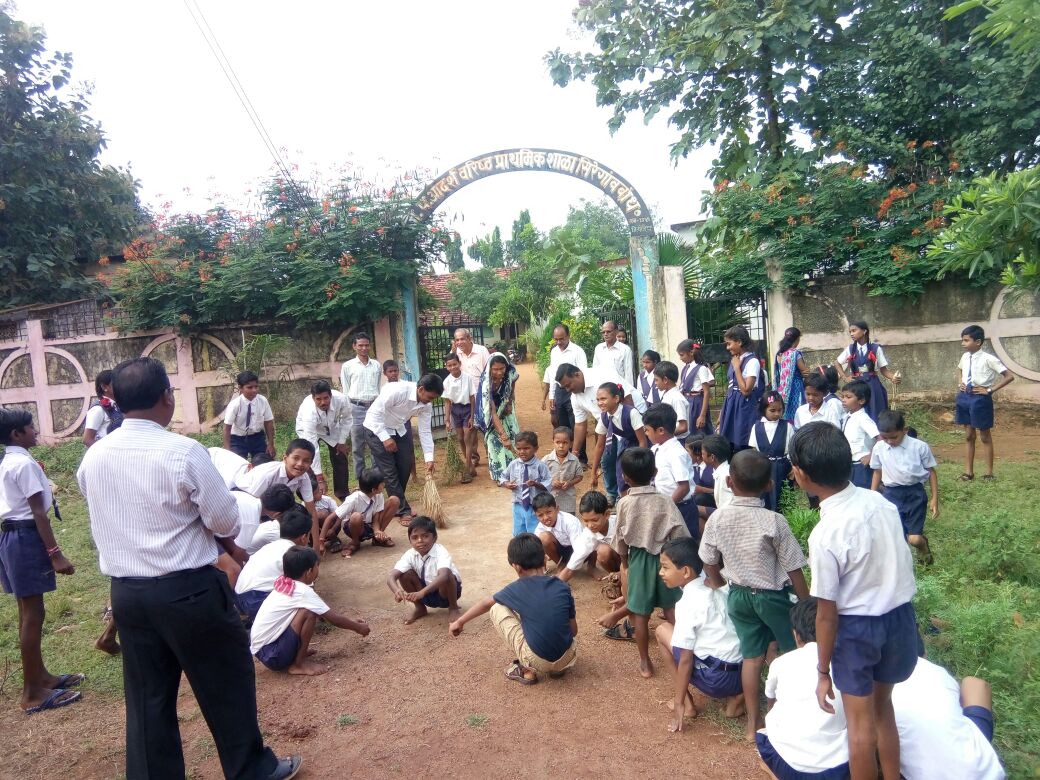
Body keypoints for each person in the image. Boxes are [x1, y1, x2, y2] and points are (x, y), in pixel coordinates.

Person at [76, 357, 300, 780]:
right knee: (224, 682)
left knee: (148, 698)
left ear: (117, 401)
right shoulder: (182, 452)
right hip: (189, 592)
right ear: (167, 397)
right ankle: (251, 769)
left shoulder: (94, 457)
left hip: (128, 594)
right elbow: (225, 521)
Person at [789, 421, 918, 780]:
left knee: (859, 730)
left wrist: (822, 672)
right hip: (899, 619)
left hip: (858, 631)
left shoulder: (825, 534)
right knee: (883, 709)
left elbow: (826, 615)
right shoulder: (881, 503)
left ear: (801, 475)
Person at [699, 449, 810, 741]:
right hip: (773, 598)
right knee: (792, 654)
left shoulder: (717, 519)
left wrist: (719, 584)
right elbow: (794, 568)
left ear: (728, 482)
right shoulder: (774, 521)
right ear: (769, 485)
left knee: (752, 657)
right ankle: (787, 716)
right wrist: (807, 605)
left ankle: (752, 726)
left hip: (738, 596)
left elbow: (708, 560)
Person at [1, 408, 82, 714]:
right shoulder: (22, 463)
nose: (35, 431)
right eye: (30, 426)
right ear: (16, 434)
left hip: (11, 537)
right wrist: (55, 554)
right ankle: (33, 692)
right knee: (32, 614)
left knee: (29, 611)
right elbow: (38, 512)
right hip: (25, 537)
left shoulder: (9, 461)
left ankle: (41, 676)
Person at [449, 533, 578, 685]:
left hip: (538, 660)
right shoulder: (562, 586)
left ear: (516, 567)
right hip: (568, 657)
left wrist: (460, 621)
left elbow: (485, 604)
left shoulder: (517, 589)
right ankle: (558, 669)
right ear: (545, 559)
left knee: (497, 607)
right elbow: (573, 630)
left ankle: (527, 670)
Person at [614, 447, 691, 678]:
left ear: (625, 477)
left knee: (640, 613)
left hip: (638, 560)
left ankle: (645, 661)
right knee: (671, 608)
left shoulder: (625, 503)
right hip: (666, 559)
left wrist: (625, 562)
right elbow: (680, 533)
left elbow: (620, 538)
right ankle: (683, 654)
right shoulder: (665, 501)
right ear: (655, 472)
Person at [755, 597, 852, 780]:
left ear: (796, 635)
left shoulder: (781, 663)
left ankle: (775, 772)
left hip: (787, 763)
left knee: (763, 735)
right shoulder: (852, 666)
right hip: (835, 771)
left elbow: (770, 701)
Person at [656, 537, 744, 732]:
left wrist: (678, 703)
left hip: (716, 681)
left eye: (665, 567)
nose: (661, 572)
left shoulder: (687, 603)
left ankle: (687, 705)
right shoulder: (720, 587)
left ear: (686, 572)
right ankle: (737, 697)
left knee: (662, 631)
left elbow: (685, 659)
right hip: (742, 676)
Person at [250, 545, 369, 676]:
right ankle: (299, 664)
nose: (318, 569)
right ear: (309, 572)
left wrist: (351, 622)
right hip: (274, 655)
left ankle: (295, 653)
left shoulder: (285, 583)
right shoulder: (302, 591)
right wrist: (359, 628)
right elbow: (333, 619)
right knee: (308, 613)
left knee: (309, 610)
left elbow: (323, 614)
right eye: (317, 566)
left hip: (264, 651)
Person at [891, 659, 1006, 780]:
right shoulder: (933, 670)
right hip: (984, 770)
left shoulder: (880, 686)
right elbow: (978, 685)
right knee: (973, 684)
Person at [363, 372, 442, 522]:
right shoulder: (397, 391)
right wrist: (385, 438)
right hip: (376, 429)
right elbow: (373, 415)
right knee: (389, 471)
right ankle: (402, 510)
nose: (430, 401)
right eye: (430, 397)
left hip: (398, 429)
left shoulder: (426, 405)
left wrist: (429, 458)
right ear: (421, 389)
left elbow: (425, 431)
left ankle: (395, 502)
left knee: (405, 465)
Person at [870, 410, 939, 564]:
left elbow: (931, 472)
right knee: (897, 537)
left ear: (905, 430)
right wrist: (872, 494)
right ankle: (903, 566)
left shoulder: (919, 447)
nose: (889, 441)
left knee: (914, 539)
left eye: (894, 437)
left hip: (915, 494)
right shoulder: (879, 448)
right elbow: (877, 472)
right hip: (891, 495)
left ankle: (923, 545)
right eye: (884, 437)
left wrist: (935, 498)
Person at [236, 439, 321, 551]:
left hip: (271, 507)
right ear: (285, 458)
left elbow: (312, 511)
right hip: (244, 502)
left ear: (310, 464)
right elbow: (251, 507)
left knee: (301, 515)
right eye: (296, 458)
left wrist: (316, 546)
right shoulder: (268, 474)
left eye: (306, 461)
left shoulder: (303, 478)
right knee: (257, 537)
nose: (300, 464)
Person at [956, 324, 1014, 482]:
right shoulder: (965, 357)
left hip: (980, 399)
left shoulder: (989, 359)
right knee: (969, 435)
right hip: (964, 397)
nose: (963, 343)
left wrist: (989, 390)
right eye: (962, 340)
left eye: (966, 340)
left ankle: (989, 473)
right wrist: (960, 382)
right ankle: (968, 473)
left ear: (978, 342)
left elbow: (1009, 376)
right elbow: (959, 369)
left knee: (984, 436)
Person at [234, 506, 312, 620]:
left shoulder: (273, 545)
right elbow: (303, 587)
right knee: (303, 608)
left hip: (239, 595)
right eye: (309, 536)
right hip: (255, 598)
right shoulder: (294, 554)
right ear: (304, 537)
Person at [387, 515, 462, 624]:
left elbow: (444, 575)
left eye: (425, 536)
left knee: (448, 575)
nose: (420, 540)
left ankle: (453, 607)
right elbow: (391, 577)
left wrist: (422, 592)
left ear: (435, 537)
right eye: (414, 537)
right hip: (424, 593)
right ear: (410, 540)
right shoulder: (410, 554)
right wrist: (397, 591)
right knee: (404, 574)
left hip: (446, 594)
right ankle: (420, 608)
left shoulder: (440, 551)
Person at [643, 403, 699, 539]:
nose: (646, 433)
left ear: (660, 430)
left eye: (647, 430)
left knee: (683, 544)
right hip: (665, 505)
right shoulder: (656, 449)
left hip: (681, 508)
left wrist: (666, 507)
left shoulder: (676, 453)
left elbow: (683, 487)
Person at [835, 319, 903, 422]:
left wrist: (893, 378)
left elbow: (884, 370)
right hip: (857, 386)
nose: (851, 334)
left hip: (873, 385)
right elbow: (837, 363)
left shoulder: (876, 348)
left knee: (875, 412)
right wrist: (845, 377)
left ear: (864, 331)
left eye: (854, 330)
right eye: (850, 332)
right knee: (858, 412)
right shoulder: (850, 349)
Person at [295, 379, 352, 501]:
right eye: (318, 399)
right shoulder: (308, 411)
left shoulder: (341, 399)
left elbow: (347, 419)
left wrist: (342, 441)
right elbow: (312, 446)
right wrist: (320, 477)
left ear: (331, 395)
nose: (323, 402)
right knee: (307, 457)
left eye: (326, 398)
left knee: (340, 455)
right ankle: (313, 493)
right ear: (313, 398)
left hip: (331, 429)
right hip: (308, 430)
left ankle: (342, 493)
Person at [591, 381, 648, 501]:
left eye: (603, 399)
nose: (600, 403)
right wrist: (593, 471)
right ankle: (623, 502)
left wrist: (640, 464)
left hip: (641, 448)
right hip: (626, 445)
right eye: (598, 399)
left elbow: (643, 442)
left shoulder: (631, 413)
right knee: (621, 475)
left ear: (616, 398)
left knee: (638, 477)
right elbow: (600, 446)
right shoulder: (604, 417)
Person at [541, 324, 588, 463]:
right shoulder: (554, 352)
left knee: (577, 423)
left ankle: (581, 458)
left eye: (561, 339)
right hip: (559, 392)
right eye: (556, 339)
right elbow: (552, 374)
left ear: (568, 336)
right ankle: (566, 457)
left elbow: (582, 373)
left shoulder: (578, 351)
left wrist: (580, 393)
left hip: (574, 390)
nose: (559, 342)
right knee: (563, 424)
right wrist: (552, 396)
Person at [339, 331, 383, 479]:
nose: (364, 348)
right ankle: (360, 479)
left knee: (376, 443)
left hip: (373, 407)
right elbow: (346, 390)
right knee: (358, 446)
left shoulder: (376, 365)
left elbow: (377, 387)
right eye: (360, 345)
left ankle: (376, 477)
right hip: (355, 408)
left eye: (366, 345)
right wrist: (347, 410)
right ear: (354, 346)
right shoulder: (347, 366)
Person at [331, 467, 402, 557]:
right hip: (355, 527)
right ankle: (355, 542)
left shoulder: (378, 494)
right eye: (381, 483)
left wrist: (377, 530)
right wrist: (325, 535)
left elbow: (376, 516)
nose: (384, 484)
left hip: (371, 524)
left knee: (394, 500)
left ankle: (377, 538)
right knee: (356, 516)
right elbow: (336, 516)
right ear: (374, 490)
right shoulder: (353, 499)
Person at [532, 491, 598, 583]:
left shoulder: (570, 521)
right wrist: (541, 562)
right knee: (543, 538)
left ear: (557, 509)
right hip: (562, 553)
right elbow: (535, 550)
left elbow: (579, 550)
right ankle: (561, 564)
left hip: (578, 549)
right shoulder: (540, 527)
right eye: (540, 515)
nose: (545, 517)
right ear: (536, 516)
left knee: (592, 539)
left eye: (549, 512)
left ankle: (592, 567)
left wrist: (569, 571)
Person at [474, 352, 520, 482]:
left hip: (505, 409)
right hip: (491, 415)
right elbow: (492, 412)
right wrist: (503, 436)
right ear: (490, 369)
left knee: (514, 437)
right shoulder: (486, 384)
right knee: (494, 442)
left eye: (502, 368)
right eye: (495, 369)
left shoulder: (510, 373)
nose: (499, 372)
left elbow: (512, 385)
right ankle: (500, 476)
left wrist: (509, 402)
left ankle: (515, 472)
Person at [717, 325, 764, 452]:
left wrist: (737, 368)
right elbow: (731, 387)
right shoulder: (736, 359)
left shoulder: (752, 362)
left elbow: (746, 390)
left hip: (743, 407)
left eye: (729, 344)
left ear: (739, 342)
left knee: (742, 443)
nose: (727, 347)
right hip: (731, 405)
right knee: (728, 444)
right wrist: (722, 413)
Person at [500, 431, 552, 536]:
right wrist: (507, 484)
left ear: (536, 448)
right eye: (519, 449)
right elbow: (502, 477)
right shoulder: (513, 464)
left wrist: (536, 484)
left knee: (534, 531)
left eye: (526, 448)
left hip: (535, 505)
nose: (522, 452)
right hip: (518, 504)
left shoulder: (540, 465)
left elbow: (548, 482)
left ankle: (534, 545)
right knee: (519, 530)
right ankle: (521, 545)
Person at [748, 391, 793, 512]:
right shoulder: (757, 427)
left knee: (782, 498)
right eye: (772, 410)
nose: (777, 413)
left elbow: (792, 449)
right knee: (764, 496)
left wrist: (793, 467)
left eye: (780, 410)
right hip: (764, 468)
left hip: (782, 468)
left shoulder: (787, 426)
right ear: (764, 409)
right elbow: (754, 449)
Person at [454, 328, 491, 469]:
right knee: (470, 431)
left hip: (483, 396)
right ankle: (474, 458)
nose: (459, 342)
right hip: (467, 399)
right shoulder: (456, 353)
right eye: (457, 340)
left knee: (487, 427)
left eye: (462, 339)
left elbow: (489, 372)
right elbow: (453, 370)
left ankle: (491, 456)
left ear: (469, 338)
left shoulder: (481, 351)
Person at [222, 370, 275, 462]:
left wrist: (270, 444)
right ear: (240, 388)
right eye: (249, 387)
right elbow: (227, 428)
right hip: (238, 439)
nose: (254, 390)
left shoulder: (262, 401)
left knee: (264, 462)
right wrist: (227, 450)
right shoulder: (235, 404)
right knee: (237, 463)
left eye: (256, 387)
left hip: (257, 437)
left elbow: (268, 423)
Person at [442, 352, 476, 484]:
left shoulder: (468, 378)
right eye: (449, 365)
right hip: (455, 411)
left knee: (467, 438)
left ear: (459, 364)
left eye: (454, 364)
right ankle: (471, 466)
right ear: (446, 367)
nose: (452, 367)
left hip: (467, 409)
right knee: (460, 438)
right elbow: (447, 402)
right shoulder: (446, 381)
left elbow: (472, 398)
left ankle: (467, 469)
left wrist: (472, 416)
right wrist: (447, 420)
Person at [841, 381, 879, 489]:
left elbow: (880, 438)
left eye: (848, 397)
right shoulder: (847, 416)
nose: (844, 400)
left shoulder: (863, 418)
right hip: (850, 463)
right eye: (843, 396)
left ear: (861, 400)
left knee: (862, 490)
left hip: (861, 464)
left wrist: (871, 455)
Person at [577, 489, 621, 577]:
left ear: (607, 515)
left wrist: (624, 572)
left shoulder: (620, 524)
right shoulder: (587, 533)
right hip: (619, 563)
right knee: (603, 551)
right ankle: (615, 576)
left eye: (595, 520)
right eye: (586, 521)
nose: (590, 525)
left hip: (632, 562)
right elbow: (576, 558)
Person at [543, 425, 584, 513]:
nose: (561, 446)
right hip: (550, 498)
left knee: (569, 519)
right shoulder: (546, 460)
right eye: (558, 442)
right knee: (552, 518)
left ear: (571, 444)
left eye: (565, 443)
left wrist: (570, 483)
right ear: (553, 442)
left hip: (568, 499)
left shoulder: (574, 460)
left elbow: (579, 476)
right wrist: (551, 482)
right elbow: (540, 476)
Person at [678, 340, 715, 436]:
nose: (680, 358)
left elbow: (706, 392)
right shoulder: (685, 368)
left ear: (691, 352)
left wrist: (702, 415)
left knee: (699, 432)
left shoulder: (701, 368)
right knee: (690, 430)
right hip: (687, 400)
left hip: (697, 402)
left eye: (682, 355)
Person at [774, 327, 808, 422]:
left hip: (783, 389)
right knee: (797, 411)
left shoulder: (780, 354)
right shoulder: (795, 353)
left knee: (786, 412)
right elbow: (805, 372)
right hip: (796, 387)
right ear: (797, 339)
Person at [83, 368, 123, 446]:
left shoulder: (119, 406)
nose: (121, 386)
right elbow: (87, 439)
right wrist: (104, 451)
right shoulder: (97, 409)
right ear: (104, 387)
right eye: (116, 383)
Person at [654, 361, 691, 440]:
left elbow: (683, 427)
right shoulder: (667, 395)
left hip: (679, 440)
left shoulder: (676, 398)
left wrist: (664, 435)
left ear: (665, 380)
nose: (655, 383)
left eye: (656, 380)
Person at [593, 319, 634, 386]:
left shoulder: (625, 349)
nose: (605, 334)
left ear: (616, 332)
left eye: (608, 332)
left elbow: (628, 374)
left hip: (618, 388)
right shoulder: (598, 348)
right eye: (603, 332)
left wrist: (628, 390)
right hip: (602, 387)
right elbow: (595, 371)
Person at [702, 434, 735, 514]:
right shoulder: (723, 470)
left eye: (703, 454)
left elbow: (727, 509)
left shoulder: (725, 476)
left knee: (696, 509)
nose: (701, 456)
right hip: (725, 512)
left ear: (712, 457)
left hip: (728, 515)